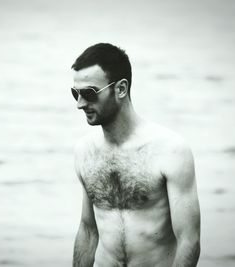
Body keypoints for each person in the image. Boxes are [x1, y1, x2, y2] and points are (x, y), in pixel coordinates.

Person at [71, 43, 200, 267]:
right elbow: (88, 230)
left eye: (89, 93)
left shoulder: (170, 150)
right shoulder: (85, 152)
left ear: (120, 89)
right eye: (76, 94)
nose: (81, 104)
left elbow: (189, 240)